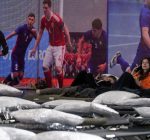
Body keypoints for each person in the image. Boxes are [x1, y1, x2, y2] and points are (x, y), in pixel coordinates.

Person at [30, 0, 72, 88]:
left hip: (60, 46)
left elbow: (66, 30)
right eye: (43, 8)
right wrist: (34, 48)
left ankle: (60, 88)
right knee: (45, 66)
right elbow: (40, 33)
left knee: (58, 68)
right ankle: (49, 89)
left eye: (46, 8)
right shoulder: (43, 19)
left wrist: (69, 43)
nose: (44, 10)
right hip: (51, 46)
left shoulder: (56, 19)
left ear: (50, 8)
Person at [110, 0, 150, 73]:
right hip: (145, 50)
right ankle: (119, 59)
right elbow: (145, 34)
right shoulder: (146, 13)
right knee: (132, 75)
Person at [3, 13, 37, 86]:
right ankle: (4, 82)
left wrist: (34, 48)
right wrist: (4, 39)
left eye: (32, 20)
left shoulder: (33, 31)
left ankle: (9, 86)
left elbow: (38, 39)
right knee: (15, 74)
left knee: (20, 76)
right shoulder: (21, 28)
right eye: (29, 19)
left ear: (34, 21)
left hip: (22, 56)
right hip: (15, 54)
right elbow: (12, 34)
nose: (30, 21)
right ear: (27, 20)